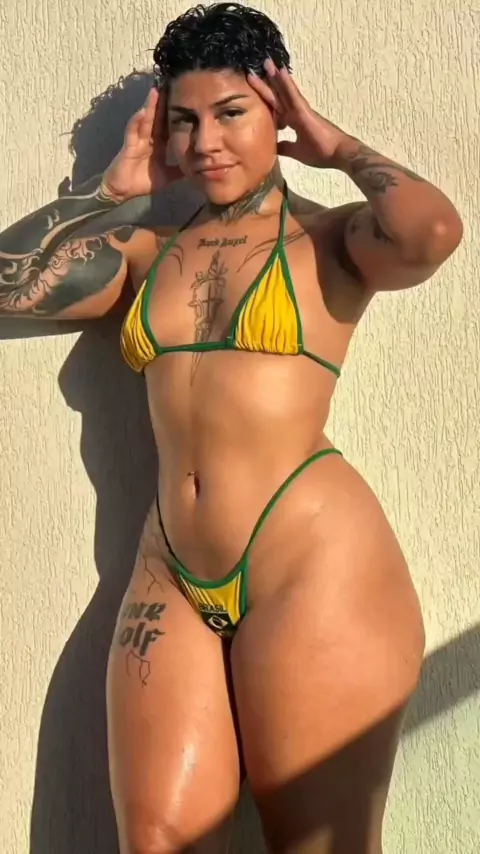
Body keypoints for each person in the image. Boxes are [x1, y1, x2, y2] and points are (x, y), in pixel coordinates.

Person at [0, 4, 463, 853]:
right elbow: (7, 286)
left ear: (277, 111)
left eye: (231, 113)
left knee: (318, 843)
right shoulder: (144, 252)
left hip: (309, 558)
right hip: (170, 567)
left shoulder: (331, 240)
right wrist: (102, 195)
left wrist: (337, 147)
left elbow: (432, 232)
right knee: (157, 840)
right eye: (186, 120)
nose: (206, 141)